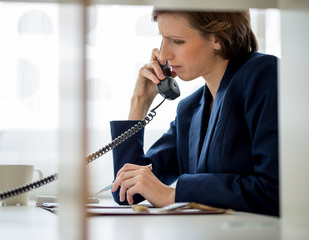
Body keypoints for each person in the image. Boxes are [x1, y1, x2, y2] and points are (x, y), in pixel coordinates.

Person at [110, 9, 279, 216]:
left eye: (177, 41)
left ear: (217, 38)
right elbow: (126, 192)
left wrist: (173, 194)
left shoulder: (264, 76)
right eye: (163, 39)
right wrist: (139, 101)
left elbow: (275, 191)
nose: (163, 55)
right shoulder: (189, 110)